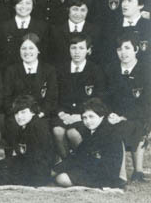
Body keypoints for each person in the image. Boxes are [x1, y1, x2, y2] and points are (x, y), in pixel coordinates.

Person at [105, 36, 151, 182]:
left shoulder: (145, 70)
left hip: (139, 116)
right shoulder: (111, 70)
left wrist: (124, 117)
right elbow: (106, 97)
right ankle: (118, 171)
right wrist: (109, 114)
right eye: (119, 49)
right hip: (114, 115)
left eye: (127, 48)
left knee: (128, 127)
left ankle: (134, 172)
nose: (123, 53)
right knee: (111, 126)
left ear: (136, 49)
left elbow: (146, 103)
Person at [0, 95, 55, 187]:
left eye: (23, 112)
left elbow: (39, 160)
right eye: (16, 113)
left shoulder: (38, 127)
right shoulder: (24, 126)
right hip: (26, 164)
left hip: (35, 173)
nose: (19, 117)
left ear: (32, 112)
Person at [53, 98, 126, 189]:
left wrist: (56, 170)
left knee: (62, 178)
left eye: (91, 116)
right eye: (84, 118)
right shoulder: (93, 130)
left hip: (107, 175)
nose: (88, 121)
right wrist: (57, 169)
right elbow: (79, 154)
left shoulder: (105, 131)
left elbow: (81, 156)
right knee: (63, 172)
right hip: (96, 168)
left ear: (101, 116)